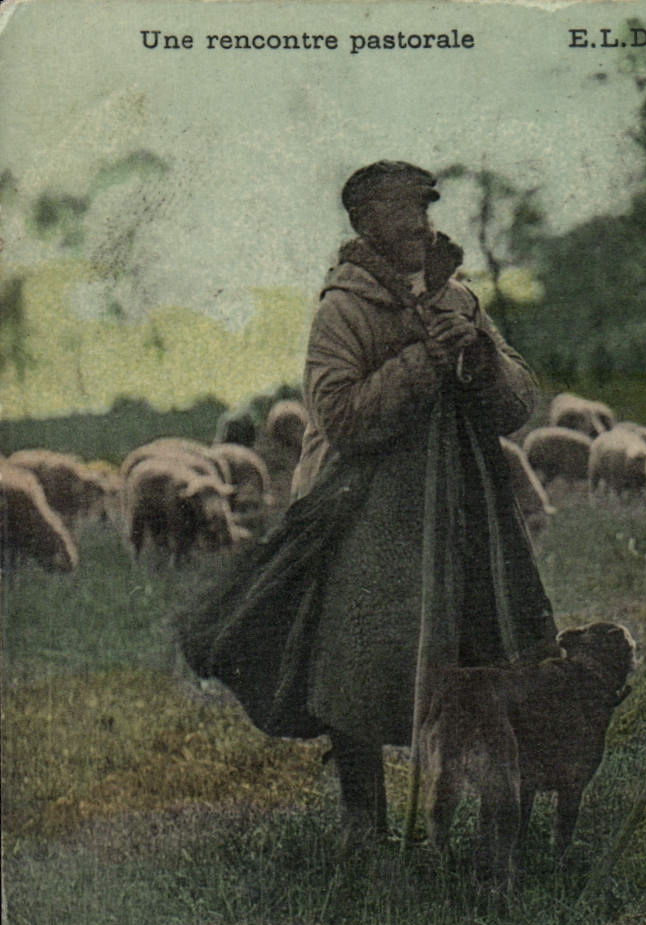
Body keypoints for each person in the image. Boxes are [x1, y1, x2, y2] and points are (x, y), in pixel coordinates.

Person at [178, 161, 556, 849]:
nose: (419, 223)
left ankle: (487, 819)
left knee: (478, 652)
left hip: (459, 507)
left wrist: (478, 355)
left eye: (423, 208)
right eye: (400, 210)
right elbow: (344, 418)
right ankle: (363, 825)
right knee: (358, 663)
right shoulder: (343, 309)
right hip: (362, 511)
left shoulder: (458, 297)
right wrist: (424, 359)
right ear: (365, 224)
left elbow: (515, 405)